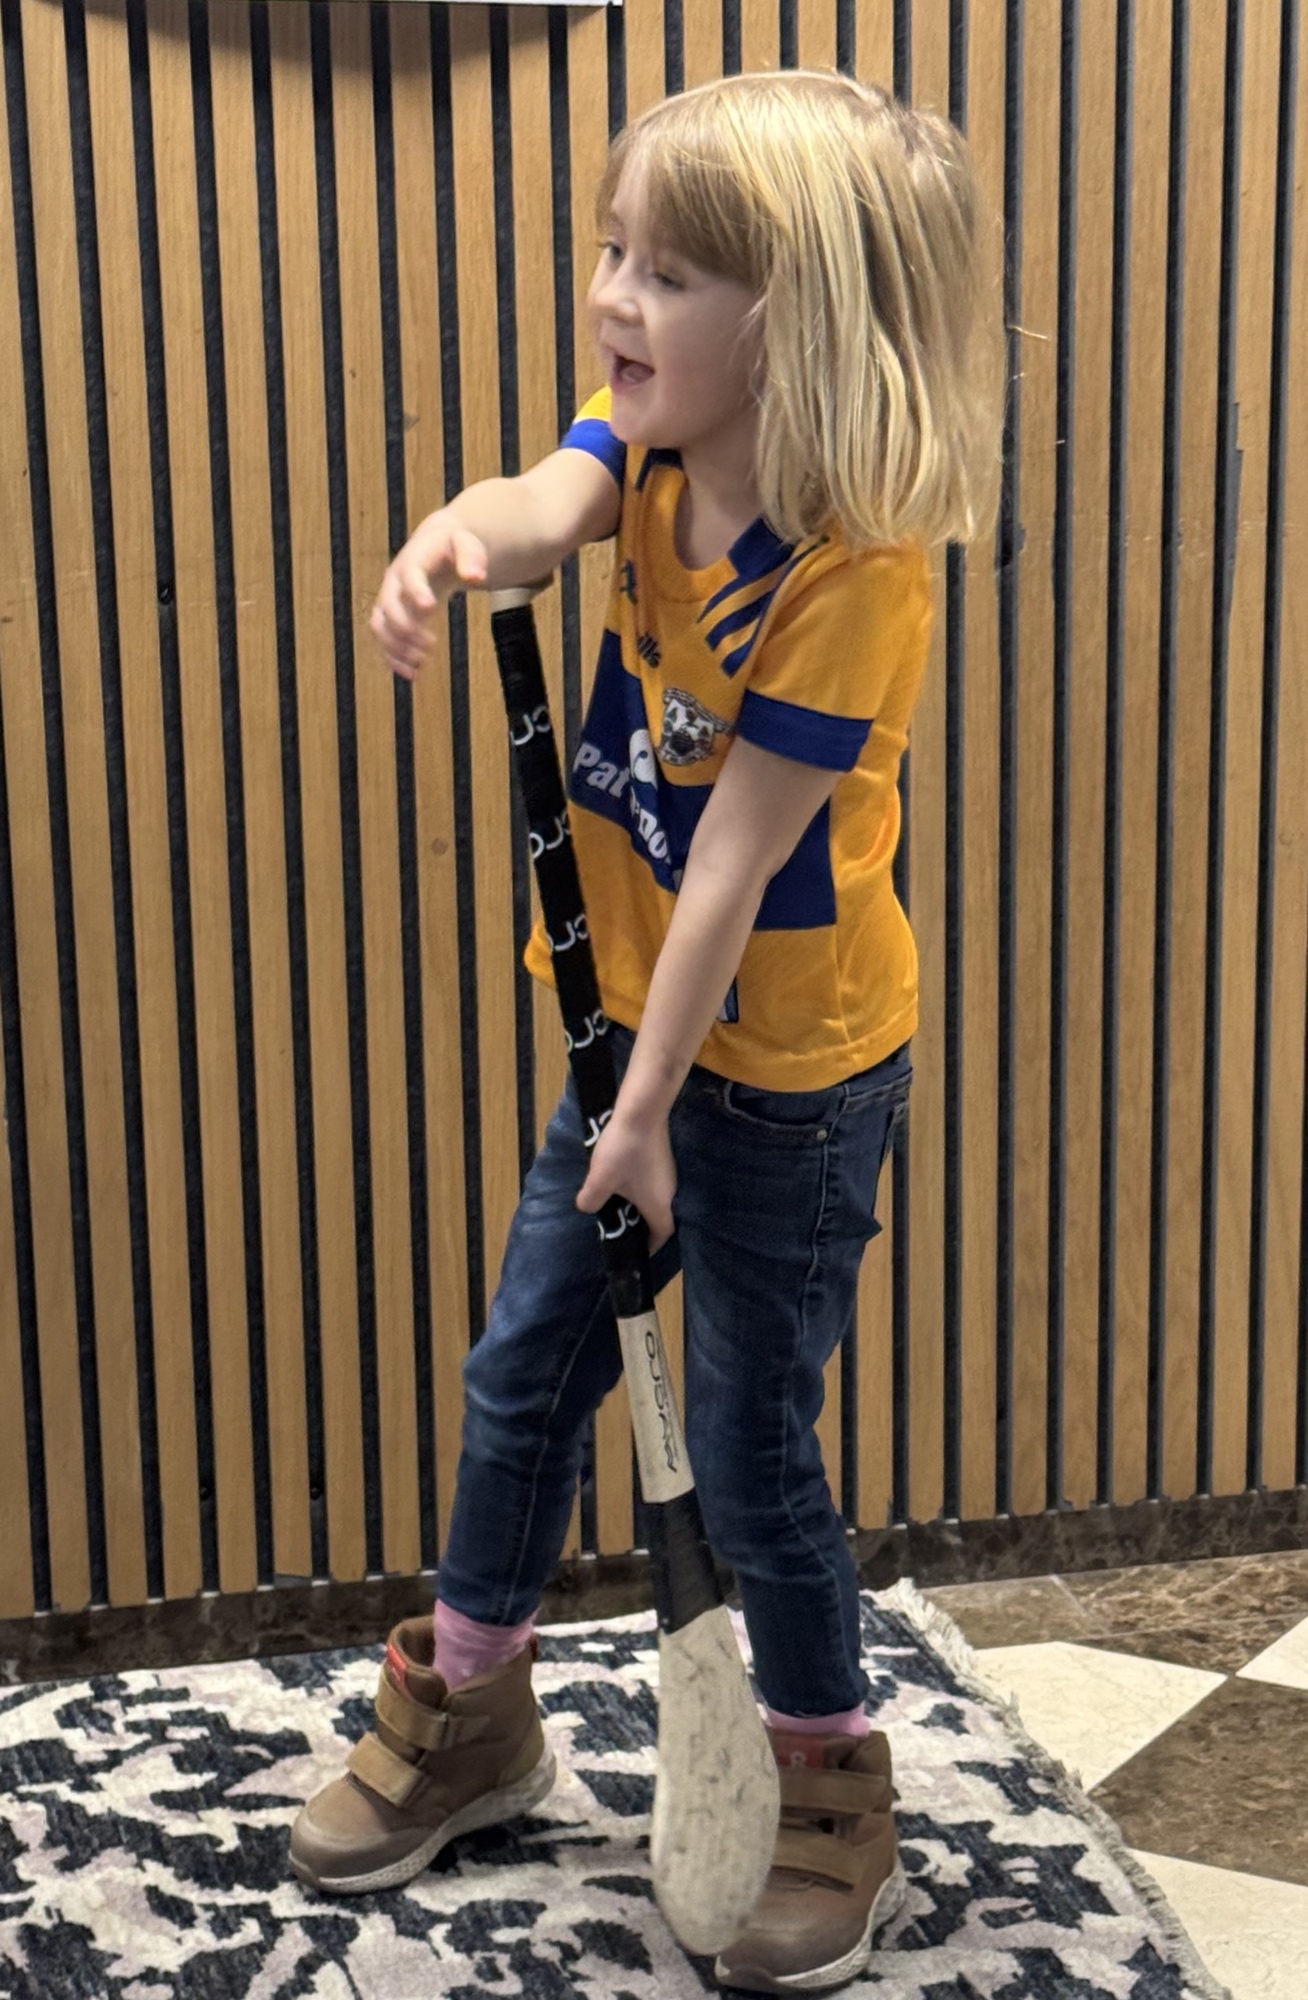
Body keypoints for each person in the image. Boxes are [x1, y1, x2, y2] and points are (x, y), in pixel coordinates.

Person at [291, 68, 1003, 1995]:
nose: (613, 295)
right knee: (523, 1374)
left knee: (754, 1445)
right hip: (636, 1053)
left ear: (802, 320)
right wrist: (463, 535)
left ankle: (827, 1790)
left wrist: (649, 1112)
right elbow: (552, 496)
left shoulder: (856, 571)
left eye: (669, 272)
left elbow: (734, 867)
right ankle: (474, 1712)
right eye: (614, 250)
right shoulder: (661, 456)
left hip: (783, 1083)